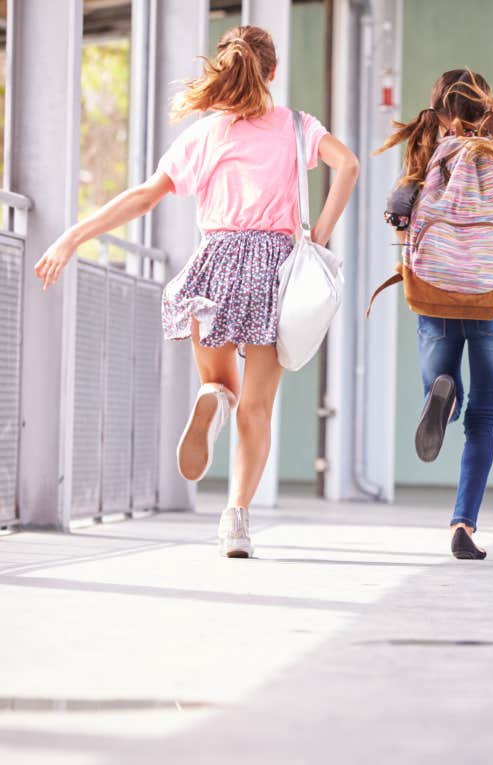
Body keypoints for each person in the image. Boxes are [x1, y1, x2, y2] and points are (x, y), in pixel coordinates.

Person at [33, 25, 359, 558]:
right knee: (256, 409)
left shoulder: (206, 135)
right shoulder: (297, 126)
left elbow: (143, 197)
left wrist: (73, 234)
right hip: (274, 271)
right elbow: (347, 164)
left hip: (214, 264)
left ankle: (210, 400)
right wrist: (318, 235)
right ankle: (236, 521)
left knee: (220, 385)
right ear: (272, 73)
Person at [374, 71, 493, 560]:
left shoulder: (425, 156)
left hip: (437, 292)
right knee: (484, 419)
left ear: (440, 113)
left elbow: (399, 214)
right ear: (486, 107)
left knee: (440, 384)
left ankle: (442, 398)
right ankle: (464, 524)